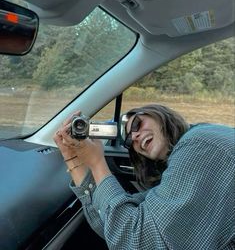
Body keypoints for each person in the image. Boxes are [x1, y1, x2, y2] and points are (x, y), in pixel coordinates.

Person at [53, 104, 235, 250]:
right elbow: (111, 224)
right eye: (130, 142)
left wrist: (97, 163)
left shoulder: (198, 145)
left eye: (137, 124)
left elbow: (138, 242)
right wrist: (71, 157)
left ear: (158, 113)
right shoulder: (196, 145)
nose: (136, 137)